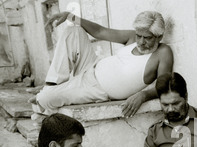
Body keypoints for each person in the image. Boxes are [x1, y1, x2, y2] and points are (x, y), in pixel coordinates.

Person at [31, 10, 173, 121]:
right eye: (139, 36)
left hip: (96, 89)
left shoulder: (163, 53)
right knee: (73, 31)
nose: (141, 42)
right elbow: (100, 32)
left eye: (147, 38)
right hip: (90, 66)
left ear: (159, 36)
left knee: (44, 98)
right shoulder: (132, 37)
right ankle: (52, 85)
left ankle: (47, 95)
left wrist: (143, 95)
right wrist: (71, 16)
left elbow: (164, 84)